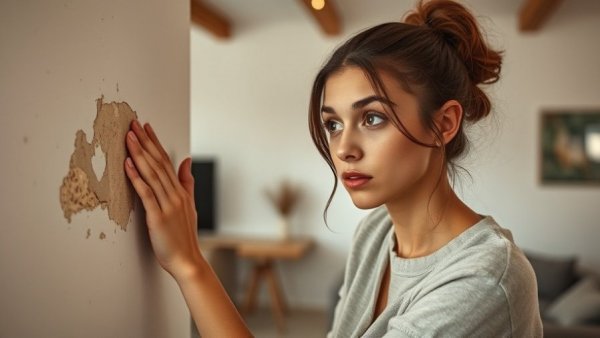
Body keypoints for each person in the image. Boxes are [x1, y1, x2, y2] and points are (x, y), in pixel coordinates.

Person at [124, 0, 543, 336]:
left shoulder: (484, 280)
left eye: (373, 118)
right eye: (332, 124)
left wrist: (190, 263)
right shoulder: (376, 233)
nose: (344, 148)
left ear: (444, 124)